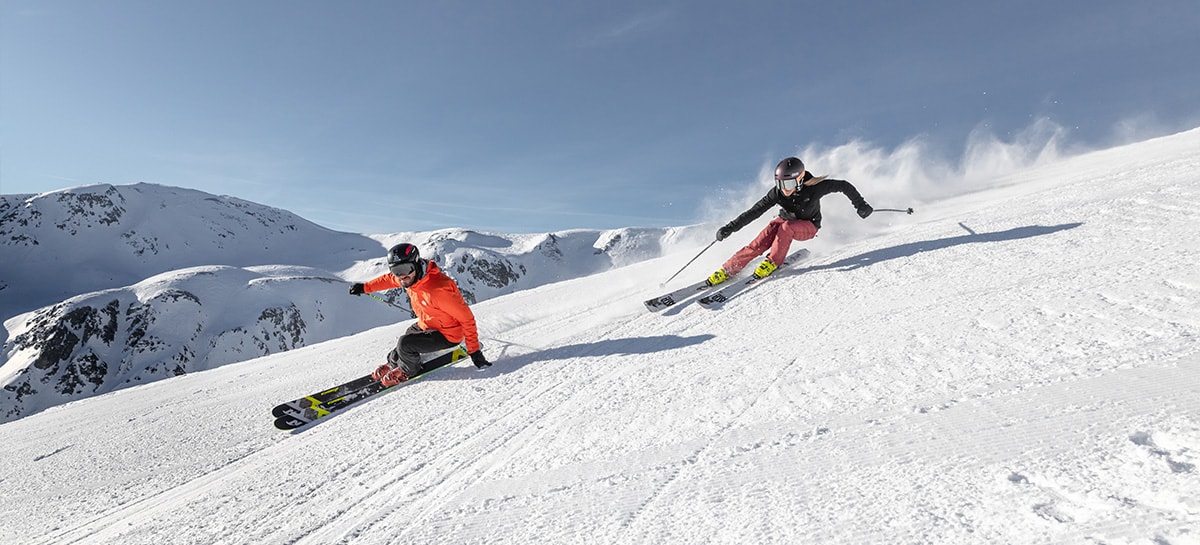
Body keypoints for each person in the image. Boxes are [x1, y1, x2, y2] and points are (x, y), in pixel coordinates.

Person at [707, 157, 873, 285]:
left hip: (809, 226)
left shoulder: (815, 187)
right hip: (785, 221)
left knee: (786, 227)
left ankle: (772, 263)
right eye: (781, 183)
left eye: (788, 183)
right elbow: (755, 211)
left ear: (799, 179)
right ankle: (728, 269)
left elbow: (844, 186)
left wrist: (861, 205)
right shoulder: (778, 193)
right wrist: (730, 228)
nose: (785, 188)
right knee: (761, 240)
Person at [349, 243, 491, 386]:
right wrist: (364, 287)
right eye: (396, 271)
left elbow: (466, 318)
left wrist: (474, 351)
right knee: (405, 340)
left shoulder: (437, 290)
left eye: (405, 269)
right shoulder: (411, 278)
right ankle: (393, 363)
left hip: (448, 334)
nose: (401, 276)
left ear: (416, 264)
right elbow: (388, 280)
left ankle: (407, 370)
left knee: (405, 344)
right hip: (428, 324)